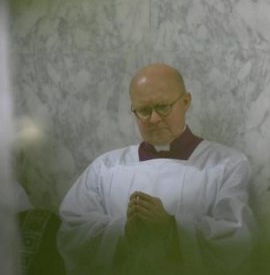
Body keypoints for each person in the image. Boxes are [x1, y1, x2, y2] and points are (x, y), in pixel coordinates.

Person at [57, 63, 254, 274]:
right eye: (144, 110)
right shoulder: (105, 168)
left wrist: (172, 228)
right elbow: (72, 233)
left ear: (185, 101)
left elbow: (236, 239)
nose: (154, 119)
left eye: (162, 107)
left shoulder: (227, 164)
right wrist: (123, 231)